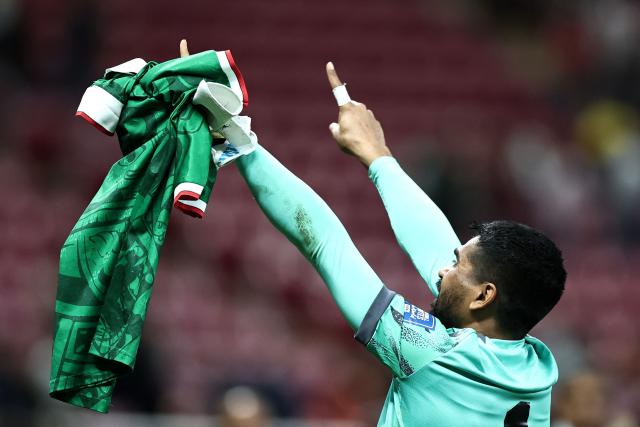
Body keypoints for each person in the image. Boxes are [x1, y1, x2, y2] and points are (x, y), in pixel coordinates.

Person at [180, 41, 567, 426]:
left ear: (485, 295)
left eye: (455, 265)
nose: (441, 271)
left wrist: (234, 136)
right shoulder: (538, 370)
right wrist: (377, 157)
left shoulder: (433, 353)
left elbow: (325, 242)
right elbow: (434, 247)